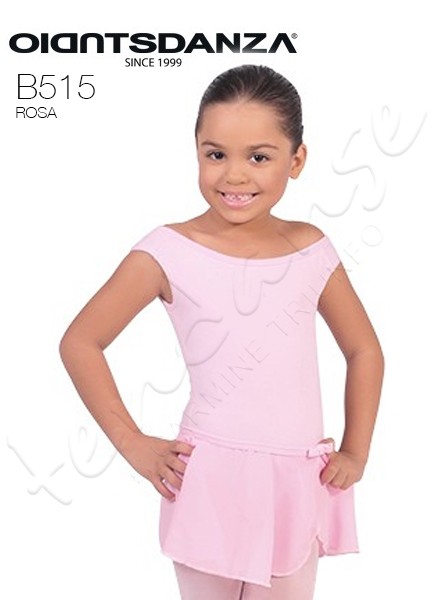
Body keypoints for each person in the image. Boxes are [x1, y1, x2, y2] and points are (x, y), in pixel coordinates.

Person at [59, 64, 384, 599]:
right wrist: (132, 442)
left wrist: (356, 450)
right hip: (209, 478)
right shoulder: (166, 251)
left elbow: (363, 348)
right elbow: (80, 341)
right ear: (196, 153)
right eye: (216, 155)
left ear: (296, 160)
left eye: (258, 157)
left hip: (296, 481)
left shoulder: (310, 248)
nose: (234, 175)